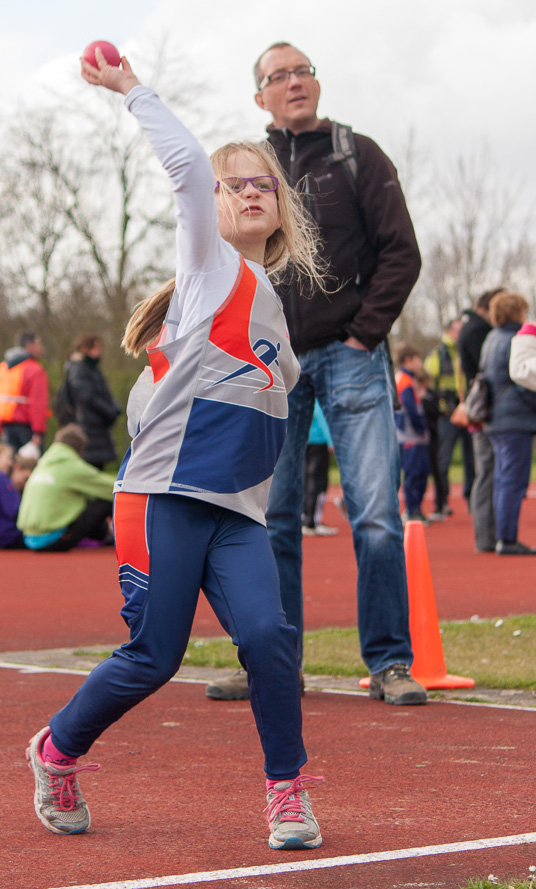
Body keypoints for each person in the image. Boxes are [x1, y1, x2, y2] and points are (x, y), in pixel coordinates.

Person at [25, 48, 326, 851]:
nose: (249, 190)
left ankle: (287, 792)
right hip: (161, 500)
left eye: (263, 182)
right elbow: (190, 170)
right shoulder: (208, 266)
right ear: (214, 208)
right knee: (154, 657)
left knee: (269, 640)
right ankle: (57, 751)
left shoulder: (273, 308)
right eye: (236, 184)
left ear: (282, 208)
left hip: (237, 515)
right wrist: (131, 88)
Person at [207, 42, 425, 707]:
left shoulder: (357, 155)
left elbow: (401, 253)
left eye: (303, 71)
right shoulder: (251, 171)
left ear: (317, 84)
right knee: (270, 518)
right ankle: (272, 664)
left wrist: (365, 334)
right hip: (272, 362)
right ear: (259, 97)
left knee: (376, 515)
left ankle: (389, 663)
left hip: (349, 353)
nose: (294, 82)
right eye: (279, 76)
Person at [479, 291, 536, 555]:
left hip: (495, 418)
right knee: (513, 480)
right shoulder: (517, 340)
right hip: (515, 419)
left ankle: (501, 535)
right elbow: (523, 382)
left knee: (502, 479)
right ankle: (508, 538)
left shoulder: (492, 338)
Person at [18, 424, 115, 552]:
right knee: (108, 498)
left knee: (83, 501)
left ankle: (106, 535)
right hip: (53, 539)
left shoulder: (43, 463)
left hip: (29, 538)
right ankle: (122, 538)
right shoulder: (71, 465)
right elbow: (112, 487)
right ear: (79, 450)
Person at [458, 289, 503, 553]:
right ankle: (486, 536)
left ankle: (488, 533)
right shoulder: (478, 331)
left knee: (485, 471)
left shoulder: (470, 327)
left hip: (478, 408)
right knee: (486, 472)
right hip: (484, 410)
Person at [425, 319, 474, 515]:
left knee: (471, 459)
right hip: (447, 414)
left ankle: (472, 499)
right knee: (443, 458)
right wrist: (439, 404)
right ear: (448, 331)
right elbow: (428, 381)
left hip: (468, 412)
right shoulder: (439, 353)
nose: (460, 333)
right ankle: (442, 501)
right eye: (457, 330)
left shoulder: (467, 349)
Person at [63, 334, 122, 469]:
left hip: (97, 427)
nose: (98, 351)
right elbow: (87, 396)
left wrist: (114, 407)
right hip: (88, 427)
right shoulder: (79, 369)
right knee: (89, 467)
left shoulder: (92, 368)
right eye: (95, 348)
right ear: (85, 349)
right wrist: (109, 411)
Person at [0, 332, 49, 453]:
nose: (41, 349)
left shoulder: (2, 368)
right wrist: (38, 432)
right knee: (33, 468)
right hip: (28, 429)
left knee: (10, 466)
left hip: (6, 428)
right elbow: (37, 404)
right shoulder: (34, 369)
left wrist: (0, 427)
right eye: (38, 344)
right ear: (29, 346)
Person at [393, 344, 430, 523]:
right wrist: (421, 426)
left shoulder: (411, 379)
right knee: (413, 472)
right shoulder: (404, 380)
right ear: (408, 360)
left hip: (416, 434)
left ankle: (416, 508)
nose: (420, 363)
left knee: (422, 471)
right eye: (417, 359)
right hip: (409, 434)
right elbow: (409, 408)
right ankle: (411, 510)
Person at [302, 400, 337, 536]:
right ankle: (312, 521)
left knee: (306, 478)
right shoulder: (317, 399)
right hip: (318, 442)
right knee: (318, 481)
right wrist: (331, 440)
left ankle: (306, 517)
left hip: (306, 441)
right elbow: (321, 417)